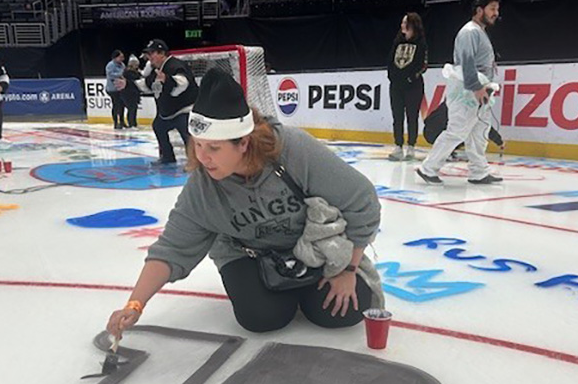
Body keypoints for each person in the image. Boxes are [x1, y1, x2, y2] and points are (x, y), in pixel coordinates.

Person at [106, 69, 382, 337]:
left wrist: (347, 269)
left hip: (306, 246)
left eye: (214, 148)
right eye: (197, 145)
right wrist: (135, 304)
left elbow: (362, 202)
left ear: (244, 143)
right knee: (262, 318)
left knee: (343, 312)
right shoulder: (203, 187)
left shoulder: (293, 150)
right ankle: (287, 288)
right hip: (245, 254)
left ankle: (301, 286)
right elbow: (172, 249)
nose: (203, 157)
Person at [417, 0, 503, 185]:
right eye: (492, 9)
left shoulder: (479, 32)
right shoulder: (470, 32)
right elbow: (466, 61)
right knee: (458, 130)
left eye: (497, 9)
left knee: (479, 131)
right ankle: (428, 168)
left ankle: (479, 172)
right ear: (479, 10)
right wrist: (476, 87)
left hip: (479, 88)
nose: (495, 13)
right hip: (468, 90)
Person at [119, 39, 197, 166]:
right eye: (148, 54)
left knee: (186, 134)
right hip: (168, 112)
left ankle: (195, 161)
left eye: (151, 53)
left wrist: (168, 80)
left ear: (162, 53)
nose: (149, 57)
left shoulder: (175, 65)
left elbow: (183, 83)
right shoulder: (157, 70)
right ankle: (167, 157)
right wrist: (127, 84)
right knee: (159, 126)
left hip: (185, 110)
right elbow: (145, 84)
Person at [387, 12, 427, 161]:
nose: (402, 25)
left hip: (413, 86)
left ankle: (411, 146)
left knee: (412, 116)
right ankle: (398, 146)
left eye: (405, 22)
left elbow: (423, 65)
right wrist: (392, 77)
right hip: (396, 86)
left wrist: (410, 79)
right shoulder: (397, 42)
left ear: (412, 24)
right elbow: (390, 61)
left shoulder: (421, 43)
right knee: (397, 117)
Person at [118, 54, 141, 129]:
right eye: (136, 64)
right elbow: (135, 80)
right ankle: (131, 123)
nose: (137, 66)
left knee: (133, 108)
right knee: (131, 108)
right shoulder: (128, 73)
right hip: (128, 93)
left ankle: (133, 123)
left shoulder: (132, 72)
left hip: (133, 93)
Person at [105, 50, 127, 129]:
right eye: (120, 57)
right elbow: (110, 75)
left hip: (120, 88)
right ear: (115, 57)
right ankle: (115, 122)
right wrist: (120, 75)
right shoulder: (110, 65)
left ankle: (121, 121)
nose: (122, 59)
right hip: (112, 89)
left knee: (122, 105)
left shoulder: (122, 65)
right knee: (116, 104)